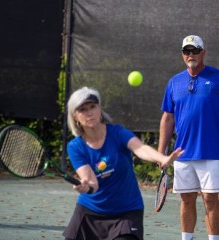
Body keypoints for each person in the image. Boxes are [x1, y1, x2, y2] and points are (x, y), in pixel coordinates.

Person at [63, 86, 184, 240]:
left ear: (99, 108)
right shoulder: (75, 147)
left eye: (92, 106)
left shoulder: (118, 133)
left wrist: (163, 158)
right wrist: (86, 187)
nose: (89, 113)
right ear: (75, 117)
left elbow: (140, 148)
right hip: (89, 212)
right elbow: (92, 181)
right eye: (83, 109)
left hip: (126, 212)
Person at [158, 35, 219, 240]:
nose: (190, 55)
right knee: (186, 200)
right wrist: (161, 152)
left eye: (195, 51)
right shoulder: (174, 82)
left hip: (211, 152)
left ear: (203, 52)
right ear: (182, 55)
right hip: (182, 154)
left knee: (210, 200)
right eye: (186, 51)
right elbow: (167, 118)